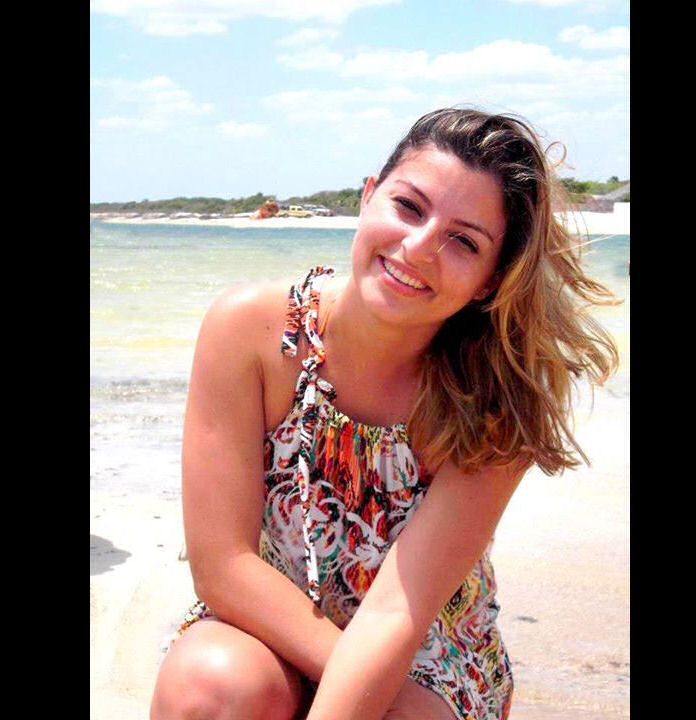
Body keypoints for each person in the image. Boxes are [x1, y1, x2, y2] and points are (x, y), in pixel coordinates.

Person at [150, 108, 618, 720]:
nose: (418, 248)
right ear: (369, 196)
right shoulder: (250, 332)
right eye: (409, 207)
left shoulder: (496, 402)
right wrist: (339, 682)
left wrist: (352, 696)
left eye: (464, 241)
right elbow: (223, 566)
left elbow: (397, 612)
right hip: (267, 617)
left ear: (489, 280)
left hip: (425, 649)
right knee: (212, 686)